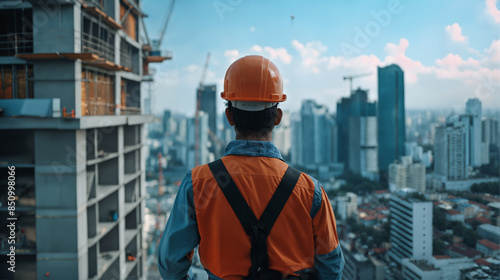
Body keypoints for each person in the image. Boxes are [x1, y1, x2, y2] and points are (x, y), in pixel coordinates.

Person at [157, 55, 344, 280]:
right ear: (277, 117)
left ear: (229, 116)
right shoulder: (310, 191)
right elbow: (331, 269)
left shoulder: (198, 184)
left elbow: (170, 264)